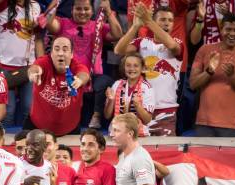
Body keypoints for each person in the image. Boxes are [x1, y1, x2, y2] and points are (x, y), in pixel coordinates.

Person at [45, 0, 123, 129]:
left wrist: (109, 12)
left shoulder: (97, 26)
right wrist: (55, 3)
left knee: (106, 81)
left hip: (93, 77)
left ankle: (96, 116)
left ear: (92, 11)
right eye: (78, 9)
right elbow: (49, 23)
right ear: (72, 10)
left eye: (86, 9)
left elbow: (117, 34)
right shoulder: (63, 23)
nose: (82, 12)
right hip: (69, 76)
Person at [114, 5, 182, 136]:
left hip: (165, 111)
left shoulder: (177, 42)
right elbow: (118, 50)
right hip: (141, 110)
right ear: (154, 22)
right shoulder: (141, 42)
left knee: (165, 153)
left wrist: (148, 21)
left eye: (170, 20)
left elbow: (172, 46)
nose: (167, 23)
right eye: (162, 19)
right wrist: (135, 26)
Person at [190, 12, 235, 137]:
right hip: (204, 123)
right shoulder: (205, 50)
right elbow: (193, 84)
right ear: (221, 29)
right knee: (202, 157)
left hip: (233, 125)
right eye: (228, 29)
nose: (232, 34)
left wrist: (233, 75)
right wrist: (209, 70)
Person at [0, 0, 44, 128]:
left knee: (29, 109)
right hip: (3, 67)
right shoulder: (2, 5)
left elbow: (37, 38)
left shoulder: (35, 6)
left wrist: (42, 63)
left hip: (28, 68)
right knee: (8, 111)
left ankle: (27, 143)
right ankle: (2, 144)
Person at [25, 36, 91, 136]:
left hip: (70, 130)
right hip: (36, 126)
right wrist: (33, 74)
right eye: (56, 49)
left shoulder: (77, 66)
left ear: (71, 54)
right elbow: (35, 68)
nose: (60, 53)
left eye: (65, 50)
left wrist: (79, 80)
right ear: (51, 54)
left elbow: (84, 74)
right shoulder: (44, 62)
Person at [104, 53, 154, 137]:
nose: (132, 69)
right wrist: (111, 100)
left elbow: (147, 120)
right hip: (116, 134)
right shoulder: (117, 84)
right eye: (128, 65)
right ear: (124, 68)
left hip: (138, 135)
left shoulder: (147, 88)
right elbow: (107, 115)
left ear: (142, 69)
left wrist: (138, 106)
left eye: (136, 66)